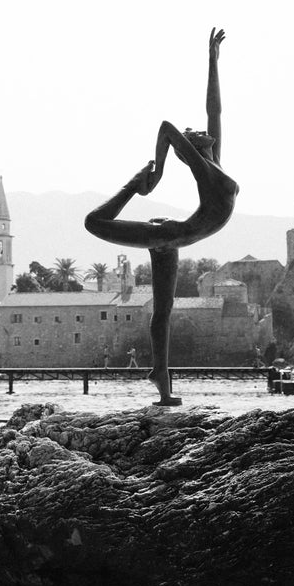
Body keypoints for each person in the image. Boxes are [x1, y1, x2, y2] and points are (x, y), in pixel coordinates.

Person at [85, 28, 239, 405]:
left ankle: (162, 379)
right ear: (193, 149)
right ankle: (131, 186)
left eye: (201, 132)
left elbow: (214, 109)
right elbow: (168, 129)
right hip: (168, 234)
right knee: (93, 222)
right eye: (195, 134)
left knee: (164, 311)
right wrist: (153, 178)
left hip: (171, 239)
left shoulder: (213, 160)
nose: (199, 131)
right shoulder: (205, 170)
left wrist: (212, 60)